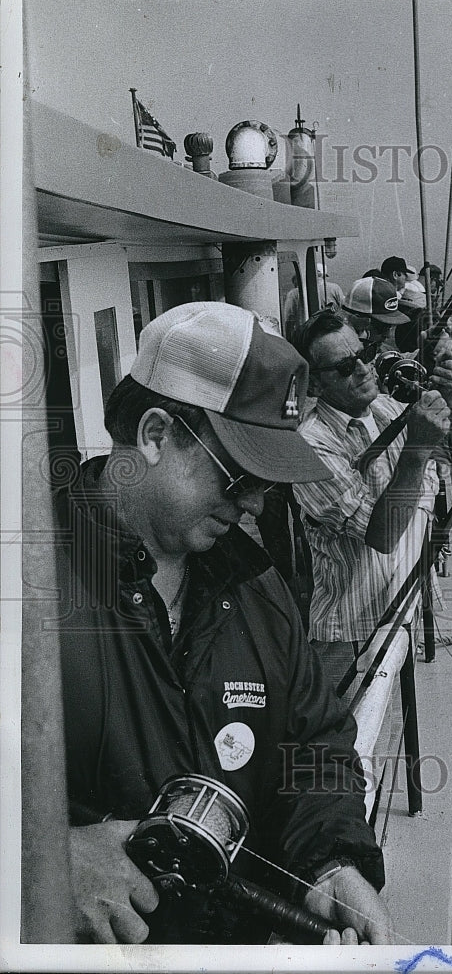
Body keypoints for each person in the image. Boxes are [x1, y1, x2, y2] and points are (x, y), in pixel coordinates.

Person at [55, 301, 393, 946]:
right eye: (240, 475)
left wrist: (333, 861)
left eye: (269, 482)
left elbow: (314, 745)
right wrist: (43, 858)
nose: (255, 505)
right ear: (156, 435)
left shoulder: (256, 583)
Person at [290, 312, 452, 681]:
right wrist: (417, 449)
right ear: (315, 385)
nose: (364, 368)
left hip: (404, 617)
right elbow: (383, 535)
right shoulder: (310, 445)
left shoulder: (384, 408)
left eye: (366, 352)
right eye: (346, 366)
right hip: (353, 635)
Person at [341, 275, 410, 348]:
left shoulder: (383, 348)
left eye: (390, 327)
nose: (388, 335)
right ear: (357, 321)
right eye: (381, 327)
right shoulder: (339, 350)